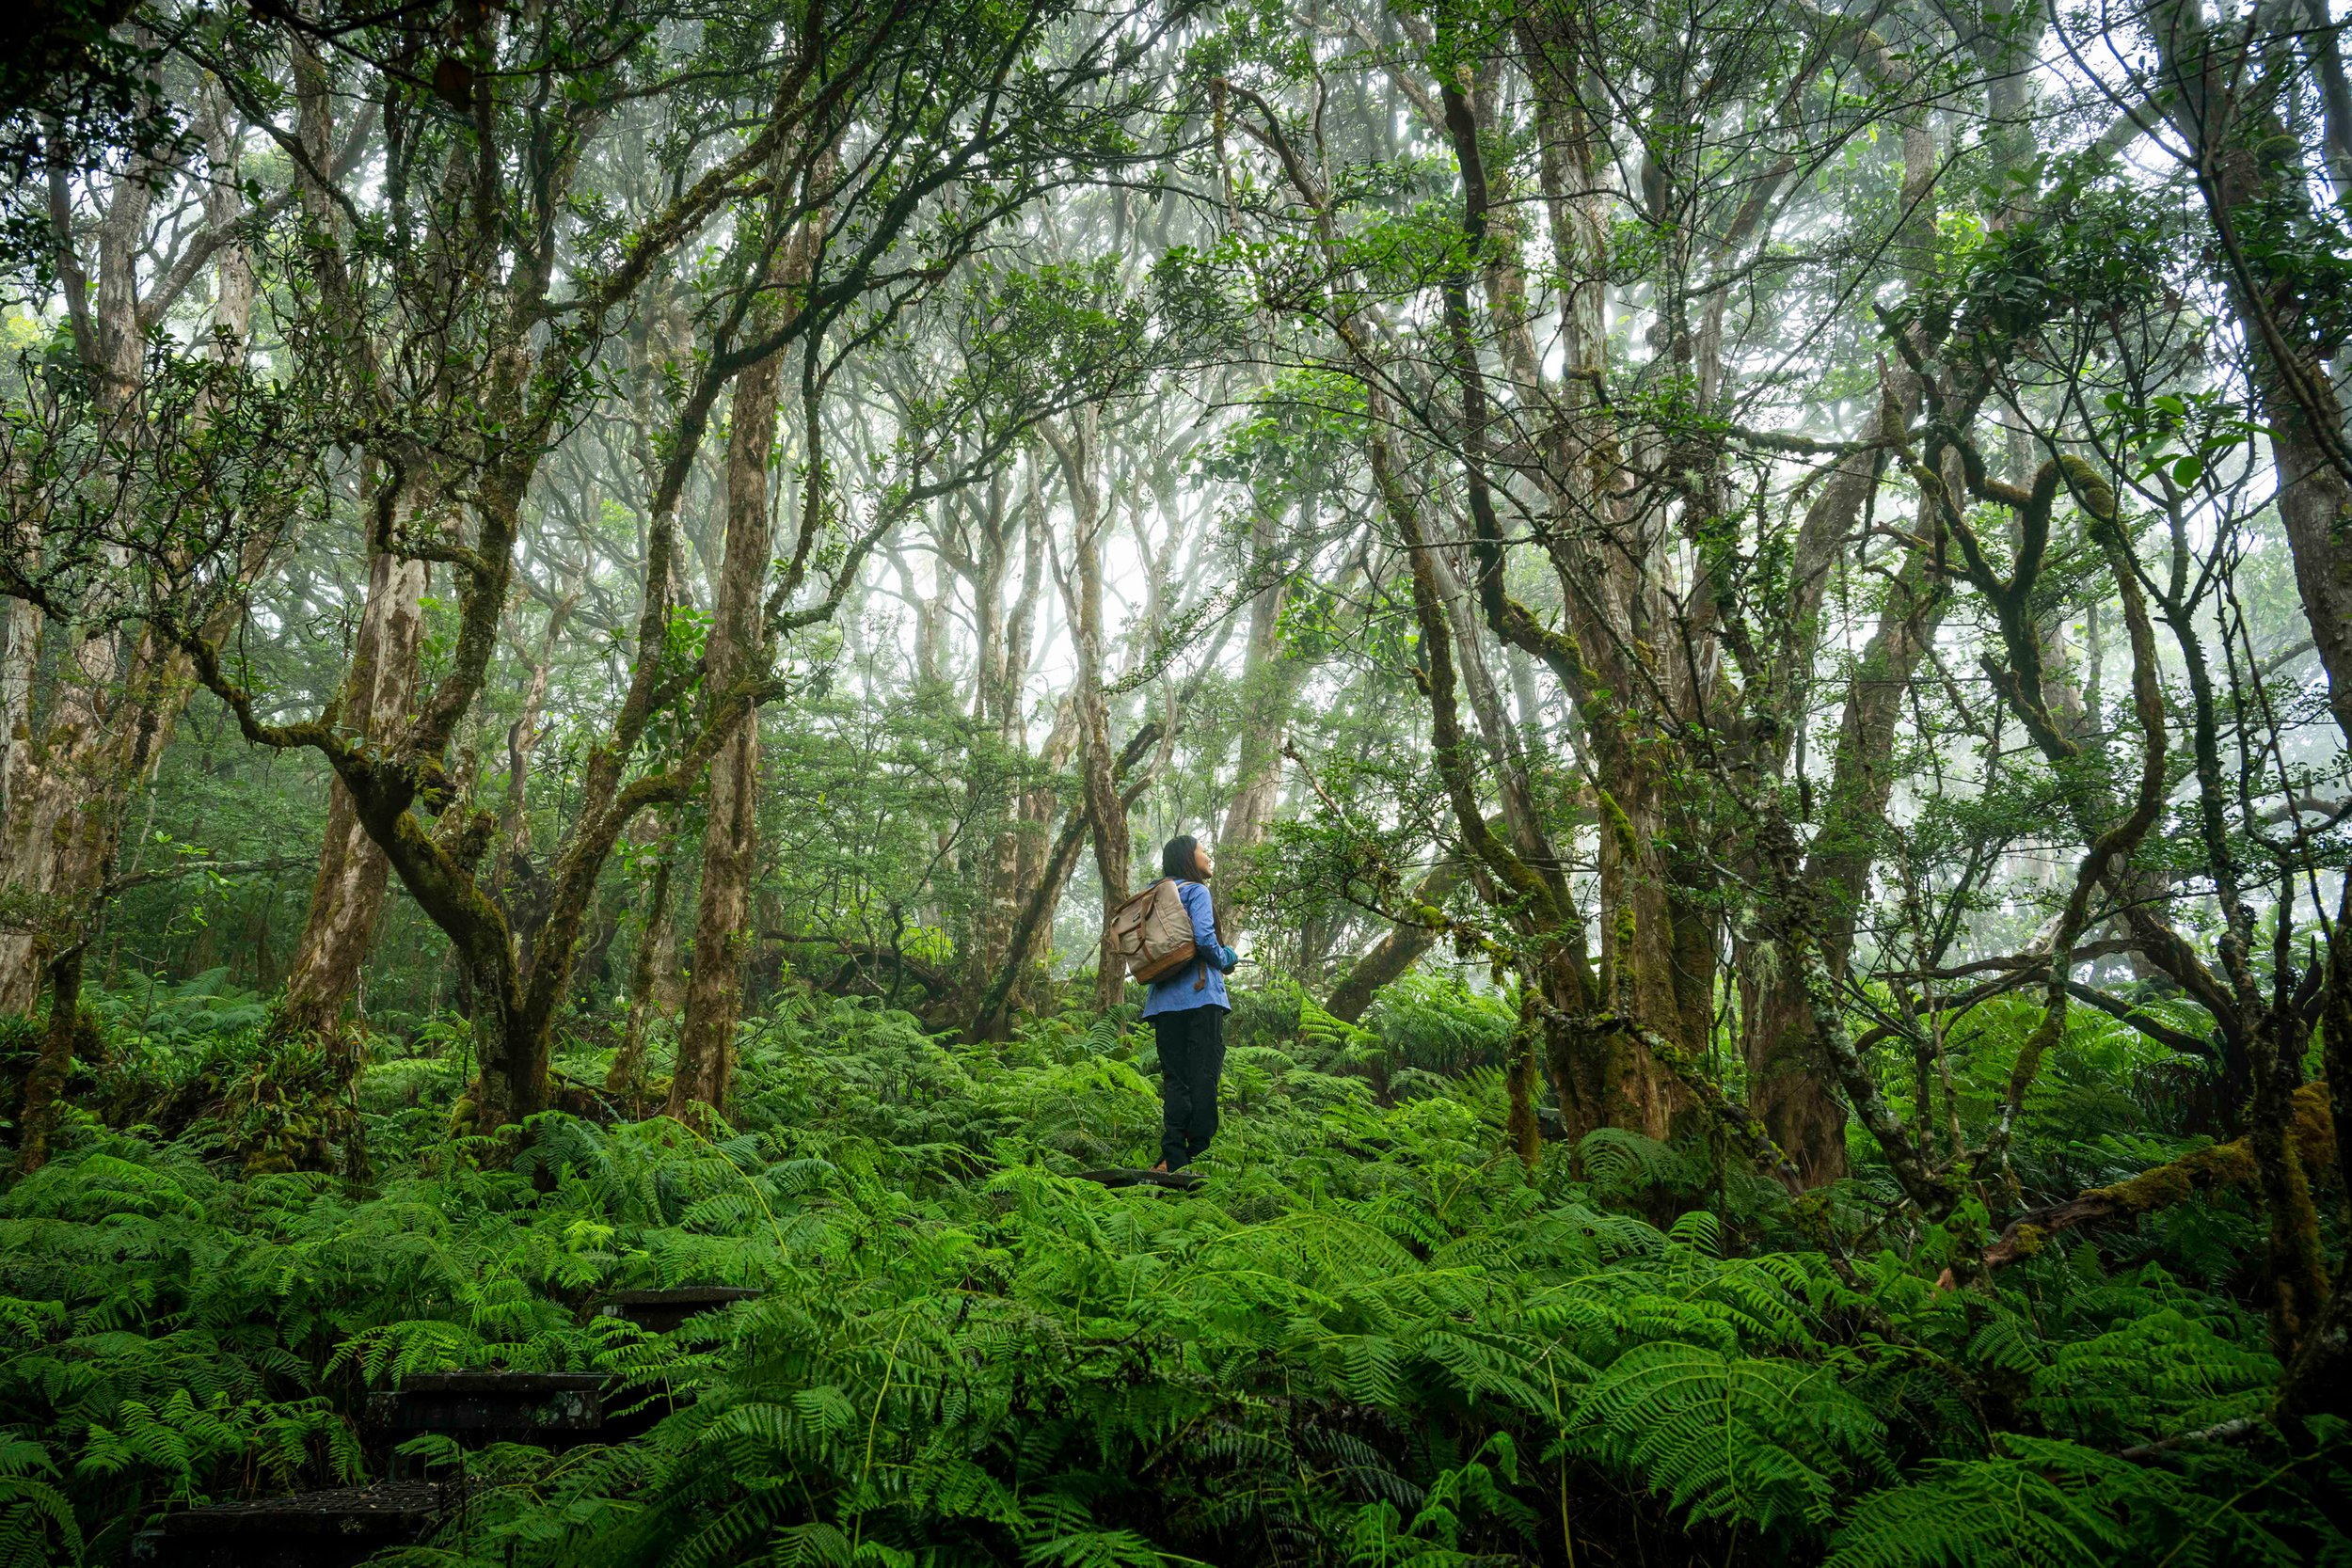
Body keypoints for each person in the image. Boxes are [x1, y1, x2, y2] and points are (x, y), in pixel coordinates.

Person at [1141, 833, 1237, 1172]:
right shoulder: (1196, 891)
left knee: (1175, 1081)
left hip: (1163, 1003)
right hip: (1200, 998)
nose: (1207, 856)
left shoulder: (1154, 895)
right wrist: (1227, 957)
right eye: (1202, 851)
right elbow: (1204, 940)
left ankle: (1171, 1157)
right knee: (1204, 1078)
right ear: (1188, 857)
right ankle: (1198, 1158)